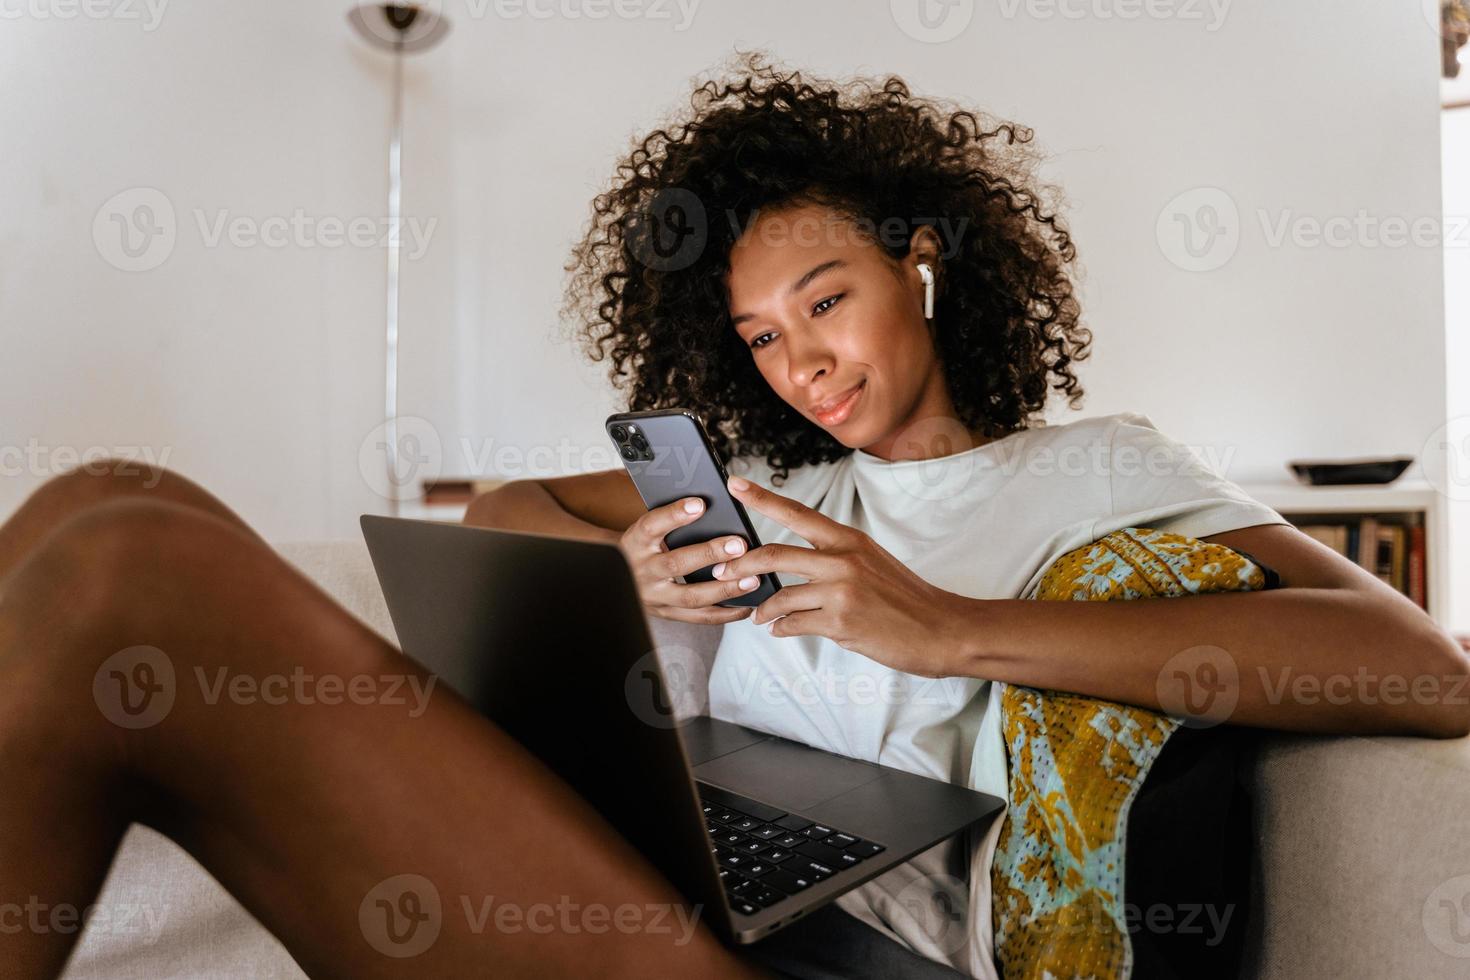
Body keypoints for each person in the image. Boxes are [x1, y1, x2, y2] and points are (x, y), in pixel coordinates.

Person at [2, 55, 1464, 980]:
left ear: (923, 267)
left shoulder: (1089, 467)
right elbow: (511, 504)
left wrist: (945, 628)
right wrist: (623, 554)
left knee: (134, 556)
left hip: (846, 959)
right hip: (676, 886)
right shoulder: (783, 496)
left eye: (825, 302)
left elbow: (1416, 667)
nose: (802, 360)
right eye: (762, 338)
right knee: (104, 503)